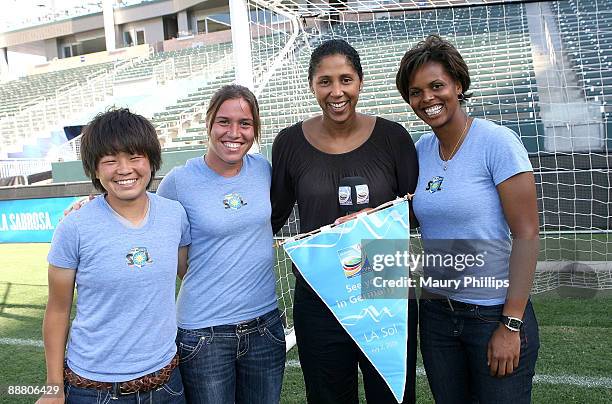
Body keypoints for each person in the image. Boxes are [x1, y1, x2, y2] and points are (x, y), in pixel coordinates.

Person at [271, 39, 419, 403]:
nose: (336, 92)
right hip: (319, 295)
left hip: (383, 291)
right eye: (325, 81)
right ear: (311, 85)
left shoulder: (393, 137)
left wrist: (374, 219)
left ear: (360, 82)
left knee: (394, 397)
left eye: (346, 80)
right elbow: (272, 216)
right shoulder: (289, 143)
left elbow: (415, 211)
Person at [395, 34, 540, 403]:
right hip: (437, 317)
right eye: (415, 92)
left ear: (458, 85)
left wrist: (510, 324)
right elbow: (412, 217)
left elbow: (526, 234)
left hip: (492, 316)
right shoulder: (419, 152)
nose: (427, 98)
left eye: (436, 85)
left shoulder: (497, 142)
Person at [38, 108, 191, 404]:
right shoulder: (74, 227)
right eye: (110, 160)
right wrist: (54, 386)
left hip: (167, 384)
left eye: (135, 157)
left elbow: (190, 273)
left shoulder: (175, 215)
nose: (124, 169)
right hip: (94, 389)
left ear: (151, 160)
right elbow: (57, 311)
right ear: (95, 169)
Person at [156, 84, 286, 403]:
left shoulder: (264, 171)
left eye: (245, 124)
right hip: (204, 336)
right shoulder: (178, 182)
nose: (234, 132)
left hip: (265, 327)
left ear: (255, 129)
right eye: (224, 121)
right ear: (209, 125)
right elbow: (172, 254)